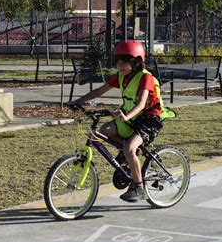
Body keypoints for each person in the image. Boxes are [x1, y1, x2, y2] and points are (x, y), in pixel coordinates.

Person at [69, 40, 168, 202]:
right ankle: (127, 154)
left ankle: (138, 187)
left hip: (150, 119)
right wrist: (77, 102)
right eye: (118, 61)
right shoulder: (121, 77)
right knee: (103, 131)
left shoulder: (146, 78)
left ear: (136, 61)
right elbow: (99, 90)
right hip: (132, 117)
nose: (120, 65)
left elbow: (142, 103)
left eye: (125, 61)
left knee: (130, 147)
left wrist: (126, 116)